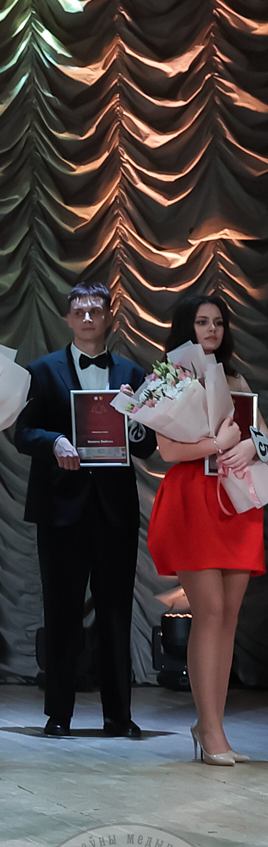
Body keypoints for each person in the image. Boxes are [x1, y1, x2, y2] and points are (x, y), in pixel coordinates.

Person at [12, 280, 157, 738]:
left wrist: (133, 426)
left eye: (96, 310)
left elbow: (148, 444)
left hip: (114, 509)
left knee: (115, 613)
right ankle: (59, 714)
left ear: (109, 316)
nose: (88, 318)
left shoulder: (133, 372)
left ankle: (119, 716)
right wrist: (54, 441)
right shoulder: (42, 370)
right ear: (68, 318)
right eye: (80, 311)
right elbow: (21, 432)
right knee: (61, 612)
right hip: (61, 508)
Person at [145, 292, 263, 765]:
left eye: (217, 322)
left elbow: (262, 435)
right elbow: (169, 451)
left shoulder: (236, 379)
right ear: (185, 327)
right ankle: (209, 729)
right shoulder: (167, 377)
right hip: (193, 499)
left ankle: (213, 727)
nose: (211, 329)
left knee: (228, 616)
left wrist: (252, 446)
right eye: (201, 321)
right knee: (209, 610)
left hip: (237, 501)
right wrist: (217, 443)